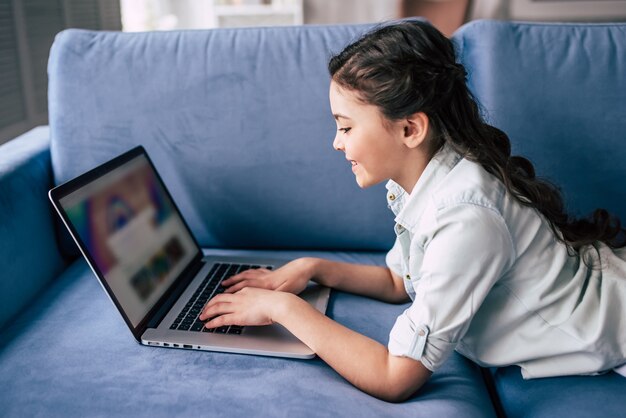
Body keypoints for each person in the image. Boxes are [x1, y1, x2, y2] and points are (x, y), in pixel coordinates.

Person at [200, 20, 626, 402]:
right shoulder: (429, 178)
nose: (336, 142)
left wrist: (284, 310)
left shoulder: (465, 217)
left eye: (346, 127)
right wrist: (313, 268)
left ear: (410, 129)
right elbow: (399, 281)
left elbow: (394, 376)